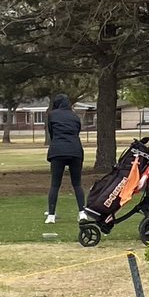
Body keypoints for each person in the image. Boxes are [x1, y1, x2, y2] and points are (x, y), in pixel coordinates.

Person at [45, 94, 87, 224]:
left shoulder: (52, 115)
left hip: (58, 150)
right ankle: (82, 213)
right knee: (77, 184)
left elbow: (52, 133)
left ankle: (51, 215)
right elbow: (77, 131)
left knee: (55, 184)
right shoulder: (74, 116)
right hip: (75, 150)